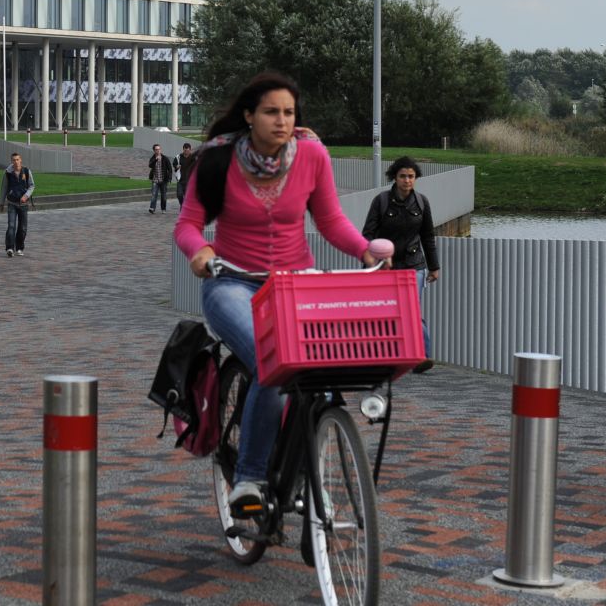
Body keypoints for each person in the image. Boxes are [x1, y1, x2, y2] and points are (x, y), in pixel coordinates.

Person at [174, 72, 380, 518]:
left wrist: (364, 249)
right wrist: (200, 251)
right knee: (272, 360)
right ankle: (248, 478)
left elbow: (330, 221)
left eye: (289, 112)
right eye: (271, 111)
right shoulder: (217, 161)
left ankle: (304, 463)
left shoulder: (311, 155)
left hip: (296, 283)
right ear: (249, 116)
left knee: (326, 369)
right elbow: (187, 226)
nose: (282, 121)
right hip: (232, 282)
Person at [363, 155, 440, 373]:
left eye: (411, 176)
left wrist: (434, 267)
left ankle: (422, 357)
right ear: (394, 178)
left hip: (414, 265)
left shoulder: (422, 202)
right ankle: (384, 356)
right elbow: (367, 235)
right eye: (403, 176)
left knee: (412, 311)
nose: (407, 180)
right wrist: (371, 262)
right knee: (384, 312)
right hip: (384, 266)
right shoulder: (381, 201)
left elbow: (428, 236)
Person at [0, 152, 35, 257]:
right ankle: (10, 248)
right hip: (12, 203)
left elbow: (32, 186)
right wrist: (1, 202)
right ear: (11, 161)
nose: (16, 162)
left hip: (23, 204)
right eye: (14, 160)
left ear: (21, 160)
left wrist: (26, 196)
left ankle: (19, 248)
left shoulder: (26, 171)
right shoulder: (7, 172)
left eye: (17, 159)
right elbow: (4, 188)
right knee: (11, 226)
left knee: (23, 228)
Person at [147, 144, 174, 213]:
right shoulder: (153, 158)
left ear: (160, 150)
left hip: (163, 180)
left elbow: (170, 169)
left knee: (163, 196)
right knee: (154, 195)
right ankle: (152, 208)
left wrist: (170, 177)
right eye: (156, 149)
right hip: (155, 180)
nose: (158, 151)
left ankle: (163, 209)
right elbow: (150, 165)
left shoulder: (165, 158)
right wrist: (156, 160)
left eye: (159, 149)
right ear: (154, 150)